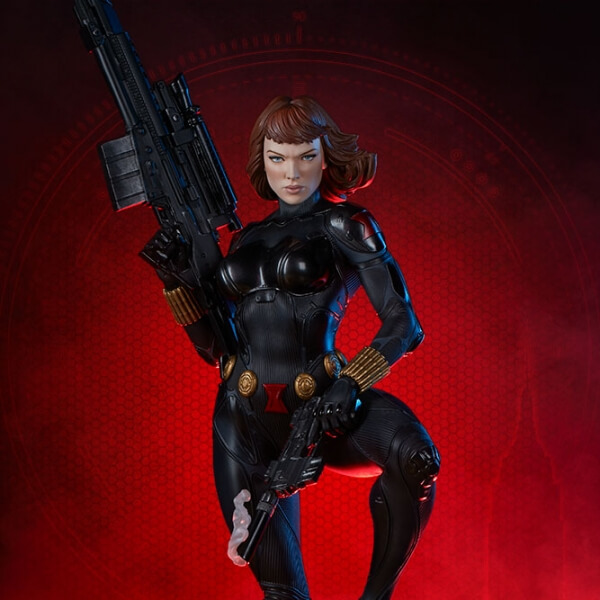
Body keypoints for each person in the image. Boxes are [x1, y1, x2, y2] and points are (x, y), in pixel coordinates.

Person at [150, 96, 440, 600]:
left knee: (416, 459)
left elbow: (404, 323)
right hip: (242, 418)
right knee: (283, 594)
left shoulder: (346, 224)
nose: (291, 172)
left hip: (322, 406)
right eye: (277, 157)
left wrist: (351, 384)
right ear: (261, 161)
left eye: (305, 156)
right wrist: (175, 282)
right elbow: (215, 349)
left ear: (326, 158)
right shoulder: (245, 241)